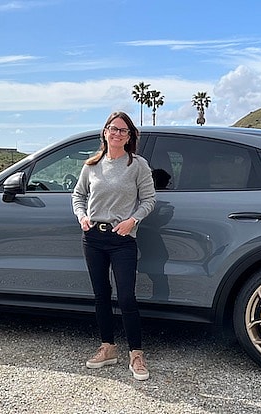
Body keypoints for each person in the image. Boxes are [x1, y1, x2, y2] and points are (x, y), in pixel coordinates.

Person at [71, 111, 156, 380]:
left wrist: (133, 220)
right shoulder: (91, 165)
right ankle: (108, 347)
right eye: (113, 128)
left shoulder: (138, 165)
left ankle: (136, 354)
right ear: (104, 132)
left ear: (129, 136)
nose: (117, 133)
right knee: (101, 294)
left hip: (122, 240)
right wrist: (82, 216)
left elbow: (149, 199)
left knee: (127, 297)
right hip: (93, 237)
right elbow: (78, 195)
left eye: (123, 130)